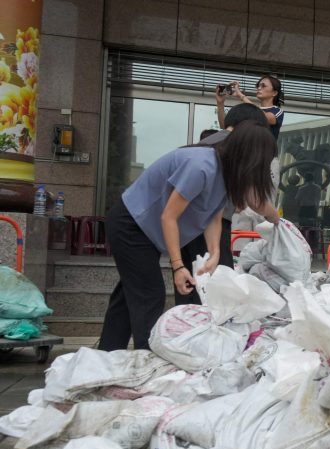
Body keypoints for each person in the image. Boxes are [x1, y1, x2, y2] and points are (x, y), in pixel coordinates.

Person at [100, 123, 280, 351]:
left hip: (146, 229)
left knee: (130, 293)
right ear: (250, 156)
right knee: (149, 294)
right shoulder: (201, 165)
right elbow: (169, 217)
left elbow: (212, 214)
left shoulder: (226, 173)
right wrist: (177, 266)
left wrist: (214, 252)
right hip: (131, 224)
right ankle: (149, 360)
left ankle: (107, 352)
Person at [175, 104, 269, 305]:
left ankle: (188, 326)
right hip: (206, 223)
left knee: (190, 284)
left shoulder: (208, 143)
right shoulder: (229, 145)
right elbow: (252, 196)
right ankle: (207, 329)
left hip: (186, 224)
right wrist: (277, 220)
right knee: (216, 282)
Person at [216, 75, 286, 140]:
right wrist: (220, 103)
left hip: (265, 152)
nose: (259, 88)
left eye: (263, 86)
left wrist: (240, 95)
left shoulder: (277, 111)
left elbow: (265, 117)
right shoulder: (249, 110)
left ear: (274, 93)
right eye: (258, 86)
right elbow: (224, 126)